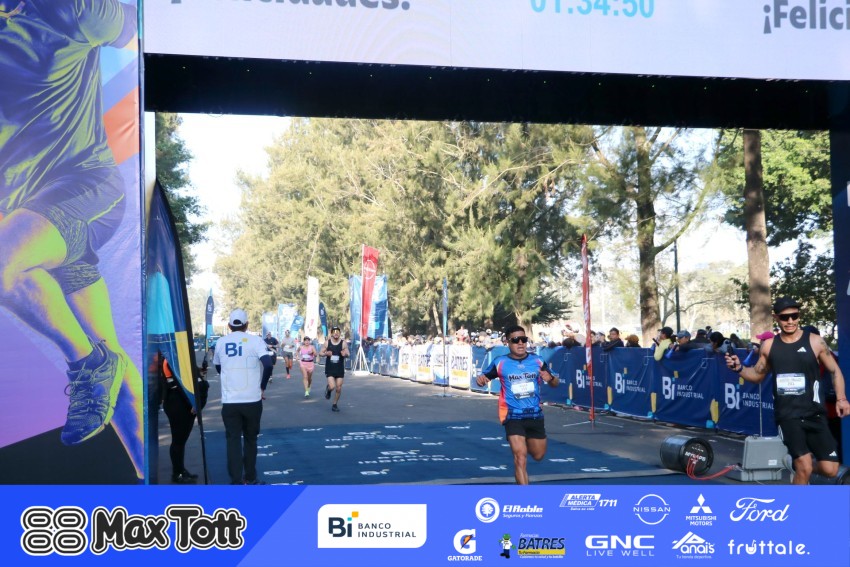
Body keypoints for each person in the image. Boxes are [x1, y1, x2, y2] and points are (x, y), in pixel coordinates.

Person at [0, 0, 143, 478]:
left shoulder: (73, 9)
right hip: (27, 211)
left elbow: (136, 32)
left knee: (2, 263)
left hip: (85, 187)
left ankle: (90, 363)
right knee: (117, 359)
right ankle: (147, 481)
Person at [725, 297, 849, 485]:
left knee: (830, 469)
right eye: (784, 317)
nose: (790, 321)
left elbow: (835, 371)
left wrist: (841, 398)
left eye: (794, 316)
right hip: (788, 415)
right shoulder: (769, 346)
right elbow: (757, 375)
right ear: (776, 318)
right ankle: (796, 498)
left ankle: (794, 464)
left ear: (799, 316)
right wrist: (739, 368)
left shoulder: (816, 342)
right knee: (804, 466)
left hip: (815, 414)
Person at [475, 325, 560, 485]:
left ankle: (526, 440)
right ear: (508, 342)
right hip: (513, 416)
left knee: (538, 455)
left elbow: (555, 382)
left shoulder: (537, 360)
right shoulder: (500, 362)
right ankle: (524, 496)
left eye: (523, 339)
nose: (520, 343)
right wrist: (480, 380)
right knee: (520, 457)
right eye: (515, 340)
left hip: (535, 415)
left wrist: (551, 379)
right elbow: (482, 378)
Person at [214, 309, 273, 485]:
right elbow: (268, 365)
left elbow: (218, 365)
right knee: (250, 439)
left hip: (230, 400)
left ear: (229, 325)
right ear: (246, 324)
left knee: (233, 439)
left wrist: (228, 376)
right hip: (252, 399)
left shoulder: (221, 342)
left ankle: (236, 480)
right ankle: (250, 477)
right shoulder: (256, 341)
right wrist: (262, 386)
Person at [155, 351, 197, 484]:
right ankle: (177, 473)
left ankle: (181, 469)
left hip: (178, 401)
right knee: (178, 440)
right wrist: (193, 402)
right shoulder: (171, 359)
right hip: (177, 402)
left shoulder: (171, 358)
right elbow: (180, 383)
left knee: (181, 440)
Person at [320, 326, 350, 413]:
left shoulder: (343, 343)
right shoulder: (327, 343)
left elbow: (348, 353)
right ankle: (329, 390)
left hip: (339, 368)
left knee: (339, 388)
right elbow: (320, 353)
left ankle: (334, 404)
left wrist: (345, 354)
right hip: (330, 368)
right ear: (332, 333)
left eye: (337, 332)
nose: (336, 334)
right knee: (332, 386)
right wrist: (326, 353)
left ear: (339, 333)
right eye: (334, 332)